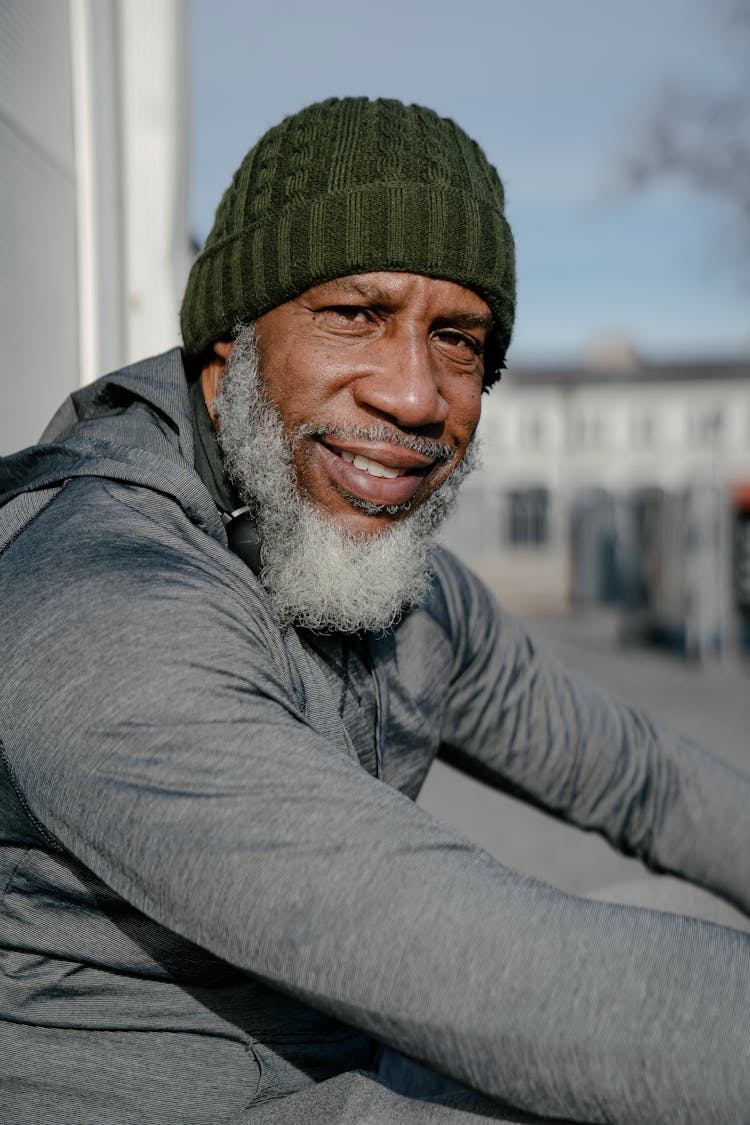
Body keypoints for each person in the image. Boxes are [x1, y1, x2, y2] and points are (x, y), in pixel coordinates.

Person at [1, 96, 749, 1125]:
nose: (414, 394)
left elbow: (642, 782)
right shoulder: (98, 603)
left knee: (676, 926)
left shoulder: (396, 581)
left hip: (343, 1076)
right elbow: (505, 977)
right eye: (354, 314)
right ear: (231, 341)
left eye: (458, 338)